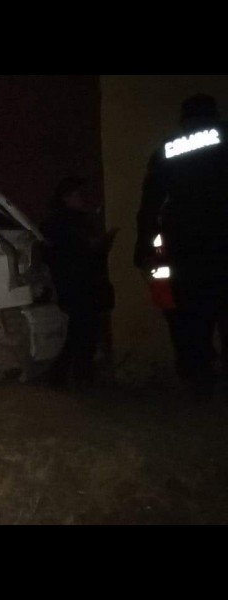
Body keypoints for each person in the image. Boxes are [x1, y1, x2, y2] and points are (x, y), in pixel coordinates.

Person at [135, 93, 228, 400]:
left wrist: (143, 248)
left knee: (190, 321)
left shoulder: (167, 149)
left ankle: (199, 384)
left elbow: (150, 205)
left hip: (186, 248)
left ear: (184, 120)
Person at [42, 176, 118, 388]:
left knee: (83, 331)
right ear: (66, 197)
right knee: (81, 331)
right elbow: (69, 254)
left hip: (83, 284)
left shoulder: (76, 222)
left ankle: (73, 375)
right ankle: (72, 375)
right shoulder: (62, 224)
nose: (82, 199)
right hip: (76, 285)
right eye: (78, 195)